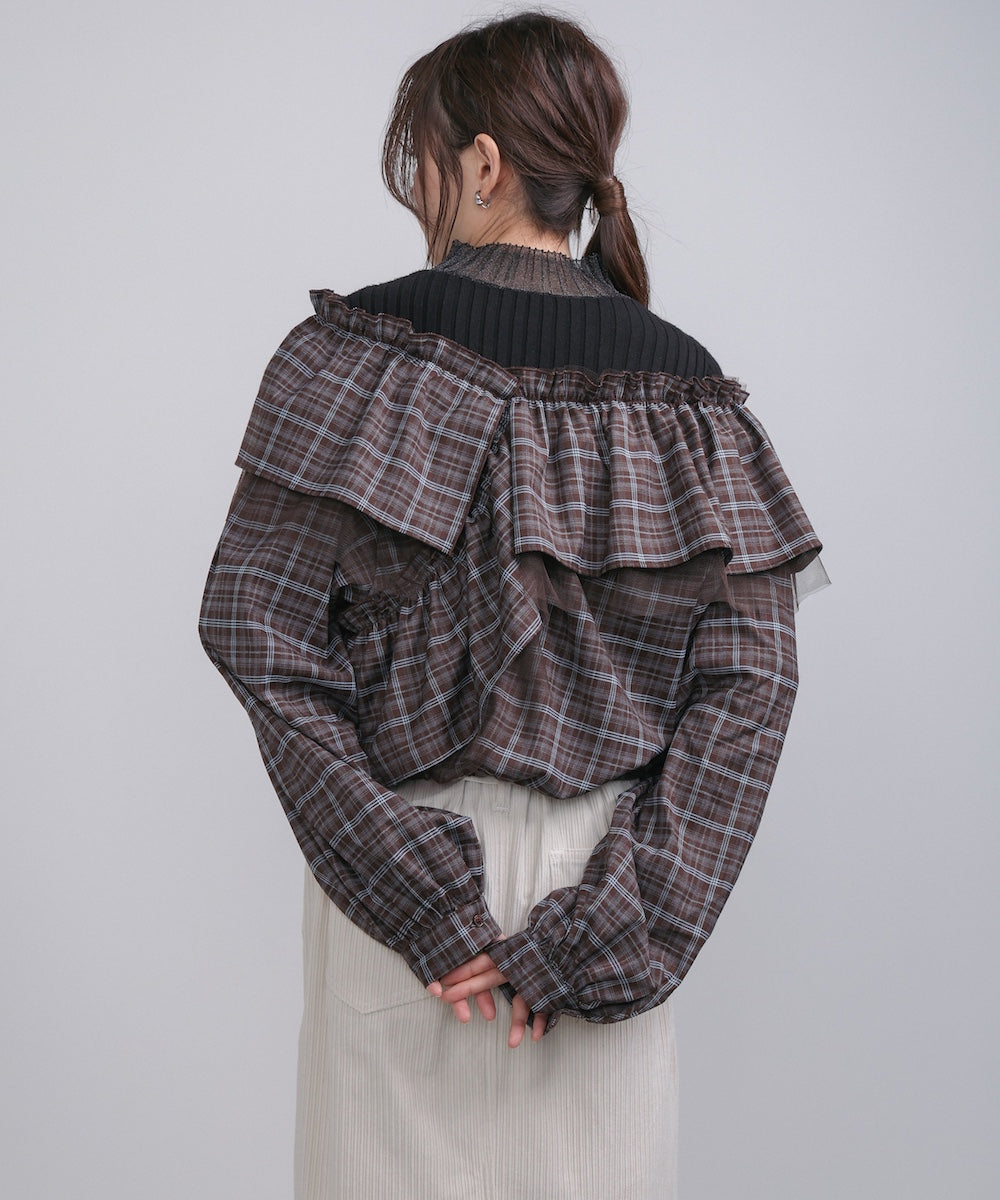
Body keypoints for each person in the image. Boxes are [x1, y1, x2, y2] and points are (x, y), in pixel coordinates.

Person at [199, 12, 825, 1199]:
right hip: (607, 886)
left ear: (482, 163)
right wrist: (616, 929)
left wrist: (408, 881)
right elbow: (750, 690)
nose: (418, 194)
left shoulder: (351, 361)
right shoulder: (693, 396)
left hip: (392, 886)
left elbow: (254, 629)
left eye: (424, 160)